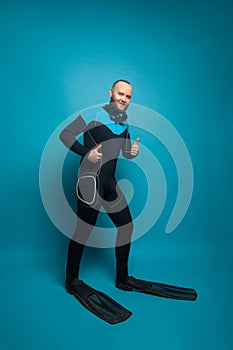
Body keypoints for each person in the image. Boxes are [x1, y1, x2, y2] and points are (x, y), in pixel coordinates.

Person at [59, 80, 197, 324]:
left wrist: (130, 151)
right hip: (89, 182)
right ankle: (72, 280)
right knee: (83, 232)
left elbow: (122, 150)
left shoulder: (123, 121)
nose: (124, 98)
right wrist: (86, 153)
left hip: (109, 183)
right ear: (111, 93)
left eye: (128, 96)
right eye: (120, 93)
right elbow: (65, 134)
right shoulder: (91, 114)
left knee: (126, 225)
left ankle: (122, 278)